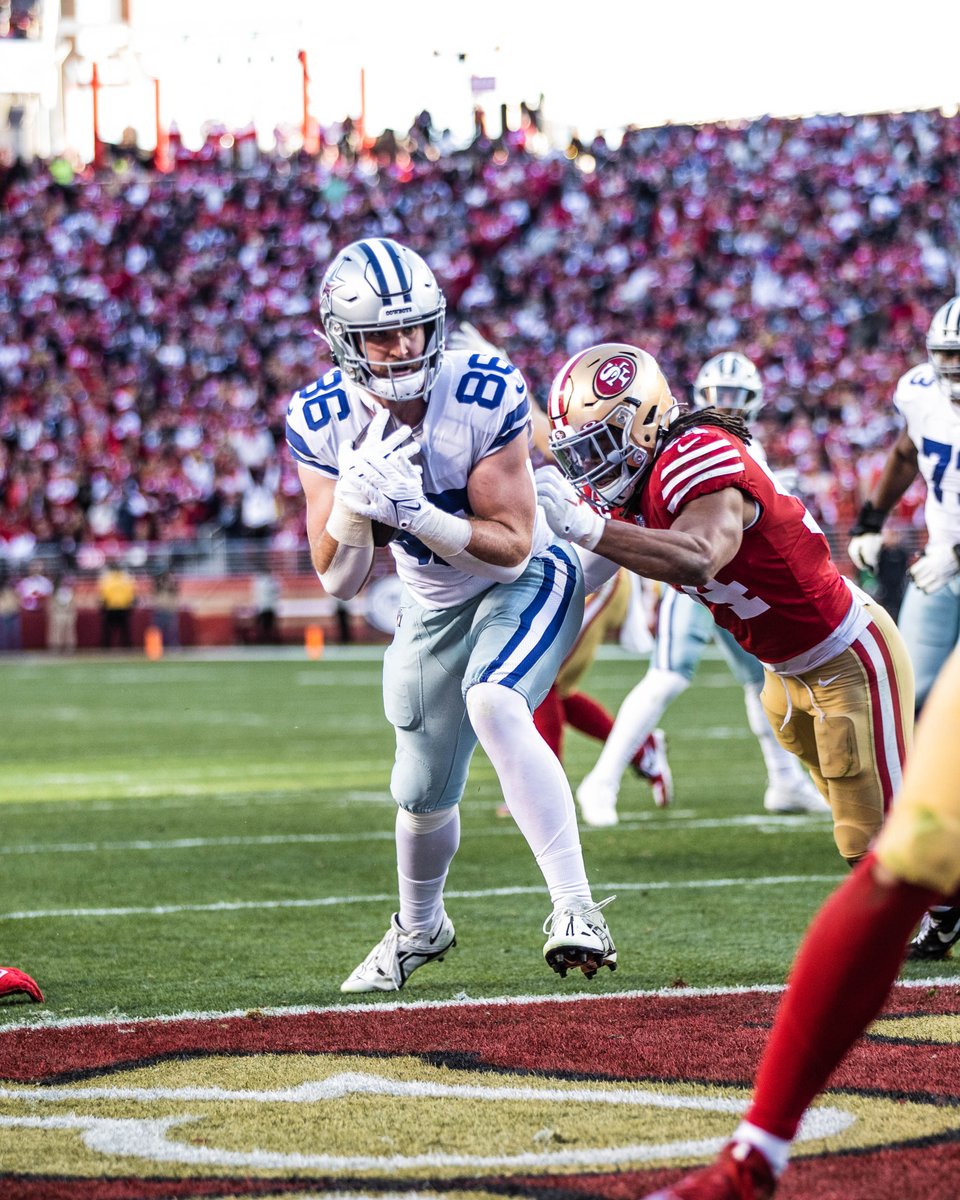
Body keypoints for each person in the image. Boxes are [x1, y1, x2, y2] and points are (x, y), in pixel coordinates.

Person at [285, 237, 616, 992]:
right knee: (419, 791)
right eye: (382, 334)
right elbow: (338, 580)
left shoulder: (482, 390)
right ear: (342, 338)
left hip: (526, 579)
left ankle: (577, 908)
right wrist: (354, 510)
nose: (404, 346)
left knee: (494, 701)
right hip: (431, 606)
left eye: (415, 327)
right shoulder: (321, 416)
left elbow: (511, 549)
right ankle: (419, 928)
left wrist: (417, 514)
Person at [537, 342, 913, 874]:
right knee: (855, 818)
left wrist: (587, 527)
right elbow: (575, 575)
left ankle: (937, 904)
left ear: (641, 423)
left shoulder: (694, 452)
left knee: (879, 842)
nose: (592, 467)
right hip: (783, 673)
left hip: (845, 653)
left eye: (599, 447)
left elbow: (699, 557)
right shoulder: (635, 486)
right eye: (580, 453)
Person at [638, 642, 960, 1200]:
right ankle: (755, 1155)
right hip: (789, 674)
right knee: (907, 854)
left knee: (895, 847)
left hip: (842, 659)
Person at [576, 353, 827, 826]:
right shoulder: (690, 445)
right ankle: (603, 779)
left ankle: (786, 781)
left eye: (736, 395)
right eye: (719, 394)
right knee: (669, 674)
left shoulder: (739, 445)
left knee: (763, 681)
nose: (727, 403)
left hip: (739, 588)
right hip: (694, 583)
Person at [848, 296, 960, 957]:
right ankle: (942, 892)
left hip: (948, 560)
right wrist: (871, 517)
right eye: (947, 356)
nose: (954, 370)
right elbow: (905, 451)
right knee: (906, 704)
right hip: (940, 571)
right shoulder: (919, 392)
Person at [97, 559, 136, 649]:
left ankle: (105, 647)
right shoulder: (126, 580)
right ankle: (127, 647)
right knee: (125, 630)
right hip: (123, 607)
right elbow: (130, 594)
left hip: (110, 608)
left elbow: (103, 594)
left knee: (107, 630)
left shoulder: (107, 580)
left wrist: (103, 604)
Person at [46, 571, 77, 653]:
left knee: (69, 631)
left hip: (68, 613)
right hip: (58, 614)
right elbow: (51, 604)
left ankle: (69, 647)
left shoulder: (69, 590)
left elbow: (73, 603)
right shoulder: (54, 591)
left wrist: (73, 613)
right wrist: (53, 613)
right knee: (56, 631)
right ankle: (56, 647)